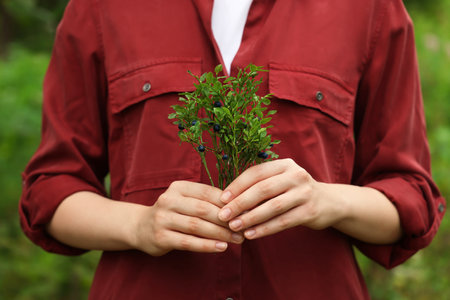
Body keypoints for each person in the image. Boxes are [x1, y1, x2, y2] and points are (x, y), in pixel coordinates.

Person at [20, 0, 446, 299]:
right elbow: (50, 192)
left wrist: (325, 199)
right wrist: (140, 225)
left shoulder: (367, 8)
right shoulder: (103, 7)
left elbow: (412, 199)